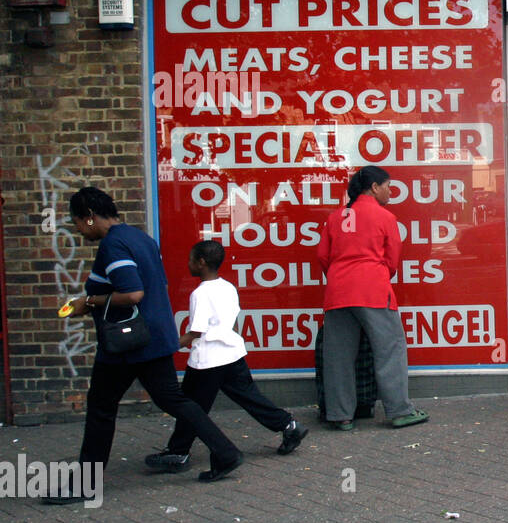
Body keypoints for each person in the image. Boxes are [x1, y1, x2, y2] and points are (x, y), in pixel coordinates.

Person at [43, 188, 244, 504]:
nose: (79, 230)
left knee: (100, 409)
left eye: (77, 223)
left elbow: (133, 292)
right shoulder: (142, 239)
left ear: (90, 217)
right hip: (154, 337)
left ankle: (84, 484)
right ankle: (225, 451)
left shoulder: (113, 246)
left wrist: (89, 301)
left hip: (127, 342)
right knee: (174, 400)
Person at [147, 240, 308, 471]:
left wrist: (169, 346)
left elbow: (197, 331)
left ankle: (178, 452)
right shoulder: (228, 287)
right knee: (250, 397)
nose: (188, 263)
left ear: (201, 263)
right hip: (231, 353)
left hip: (208, 360)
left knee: (190, 407)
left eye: (191, 259)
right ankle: (288, 425)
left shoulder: (200, 294)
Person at [316, 165, 428, 430]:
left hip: (338, 292)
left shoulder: (336, 217)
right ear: (375, 187)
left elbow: (322, 256)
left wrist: (339, 276)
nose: (390, 191)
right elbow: (392, 260)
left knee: (338, 356)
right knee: (389, 350)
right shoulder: (385, 217)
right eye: (388, 186)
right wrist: (376, 274)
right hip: (373, 291)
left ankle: (340, 415)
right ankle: (399, 410)